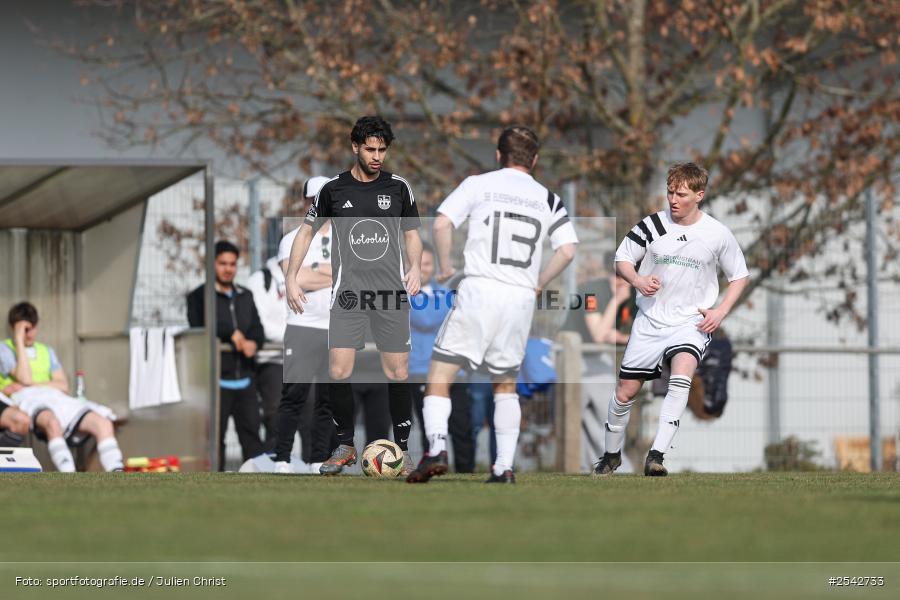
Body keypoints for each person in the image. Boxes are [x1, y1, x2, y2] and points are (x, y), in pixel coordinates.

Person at [407, 125, 578, 484]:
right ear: (534, 159)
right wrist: (539, 282)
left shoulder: (478, 184)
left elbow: (441, 224)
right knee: (505, 384)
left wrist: (445, 267)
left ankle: (436, 448)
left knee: (440, 374)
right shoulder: (548, 198)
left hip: (480, 289)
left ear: (499, 155)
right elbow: (567, 250)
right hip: (519, 299)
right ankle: (503, 467)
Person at [285, 116, 423, 475]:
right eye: (370, 149)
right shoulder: (333, 190)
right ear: (355, 147)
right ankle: (345, 445)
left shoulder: (399, 188)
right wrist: (291, 277)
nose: (377, 156)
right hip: (348, 293)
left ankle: (402, 450)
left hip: (390, 294)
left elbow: (411, 234)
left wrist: (415, 268)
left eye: (382, 150)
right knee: (338, 370)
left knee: (398, 372)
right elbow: (305, 233)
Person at [593, 162, 749, 477]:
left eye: (681, 194)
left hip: (691, 322)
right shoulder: (652, 225)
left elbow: (740, 276)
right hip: (650, 320)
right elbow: (622, 259)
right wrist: (637, 280)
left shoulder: (717, 233)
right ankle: (611, 456)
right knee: (625, 391)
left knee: (682, 375)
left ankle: (657, 456)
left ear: (699, 195)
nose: (673, 200)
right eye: (670, 193)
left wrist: (720, 311)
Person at [0, 302, 124, 472]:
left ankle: (117, 471)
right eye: (24, 329)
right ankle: (68, 475)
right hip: (28, 402)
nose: (29, 333)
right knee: (52, 423)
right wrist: (19, 341)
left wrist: (34, 384)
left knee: (103, 423)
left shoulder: (46, 351)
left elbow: (62, 385)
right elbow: (25, 377)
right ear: (14, 328)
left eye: (32, 328)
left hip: (55, 398)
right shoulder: (5, 349)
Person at [272, 176, 337, 474]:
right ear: (305, 202)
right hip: (302, 327)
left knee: (327, 399)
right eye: (314, 200)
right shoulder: (291, 240)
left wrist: (316, 271)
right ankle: (282, 458)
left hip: (336, 328)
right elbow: (296, 278)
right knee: (294, 395)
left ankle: (317, 459)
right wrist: (331, 273)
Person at [187, 240, 265, 470]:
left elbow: (257, 329)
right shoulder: (199, 296)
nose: (228, 269)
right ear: (212, 264)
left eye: (232, 264)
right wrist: (230, 333)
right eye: (223, 263)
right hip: (215, 382)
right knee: (214, 442)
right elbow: (199, 325)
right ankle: (214, 483)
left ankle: (258, 482)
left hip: (246, 380)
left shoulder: (245, 295)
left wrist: (253, 343)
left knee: (252, 439)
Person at [561, 252, 634, 471]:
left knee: (597, 418)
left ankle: (599, 465)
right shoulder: (592, 291)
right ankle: (613, 465)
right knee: (597, 416)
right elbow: (600, 334)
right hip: (576, 356)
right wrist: (617, 300)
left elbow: (612, 334)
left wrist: (619, 336)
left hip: (596, 356)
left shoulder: (629, 296)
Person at [409, 242, 474, 473]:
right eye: (417, 264)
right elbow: (425, 318)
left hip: (455, 371)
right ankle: (432, 471)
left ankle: (467, 475)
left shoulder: (445, 294)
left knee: (462, 428)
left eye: (427, 264)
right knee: (432, 429)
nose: (423, 269)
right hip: (421, 371)